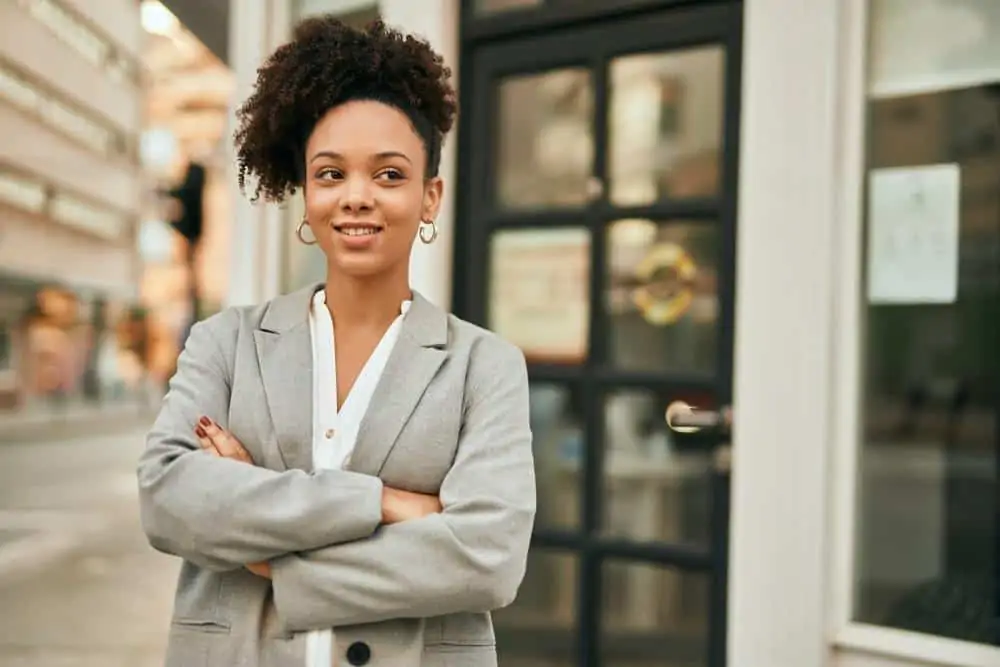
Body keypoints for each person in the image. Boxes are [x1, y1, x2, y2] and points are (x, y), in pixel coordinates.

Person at [137, 16, 536, 667]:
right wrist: (382, 502)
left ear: (430, 196)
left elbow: (489, 559)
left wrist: (270, 556)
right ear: (305, 193)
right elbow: (168, 500)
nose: (356, 197)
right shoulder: (225, 343)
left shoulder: (483, 365)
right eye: (330, 174)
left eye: (387, 175)